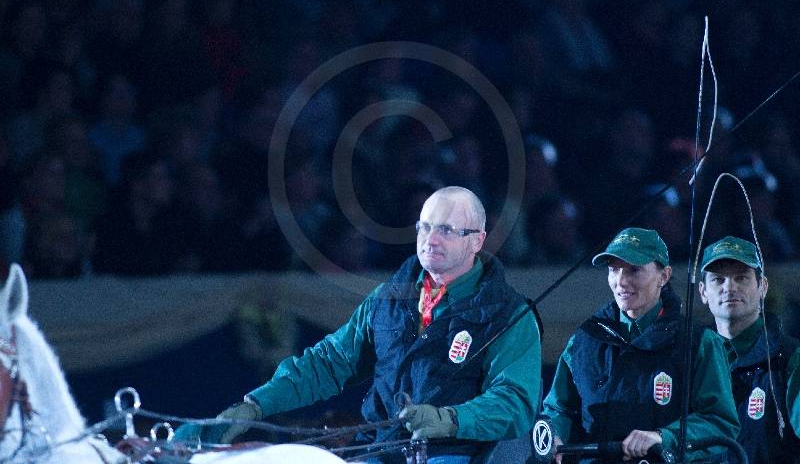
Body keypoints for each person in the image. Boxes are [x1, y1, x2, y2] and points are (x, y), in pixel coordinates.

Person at [175, 186, 541, 463]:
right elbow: (328, 363)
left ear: (477, 240)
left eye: (446, 230)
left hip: (456, 454)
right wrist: (255, 406)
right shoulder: (388, 299)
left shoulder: (508, 314)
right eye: (424, 227)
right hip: (381, 450)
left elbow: (515, 401)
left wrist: (451, 419)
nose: (431, 240)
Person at [541, 227, 739, 462]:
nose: (621, 281)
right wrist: (556, 434)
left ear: (664, 276)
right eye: (613, 270)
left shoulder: (699, 342)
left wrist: (664, 437)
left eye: (634, 270)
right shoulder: (584, 340)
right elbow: (558, 409)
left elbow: (720, 421)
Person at [698, 236, 800, 463]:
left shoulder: (790, 359)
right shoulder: (689, 360)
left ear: (762, 286)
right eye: (718, 279)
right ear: (703, 292)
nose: (729, 287)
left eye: (741, 277)